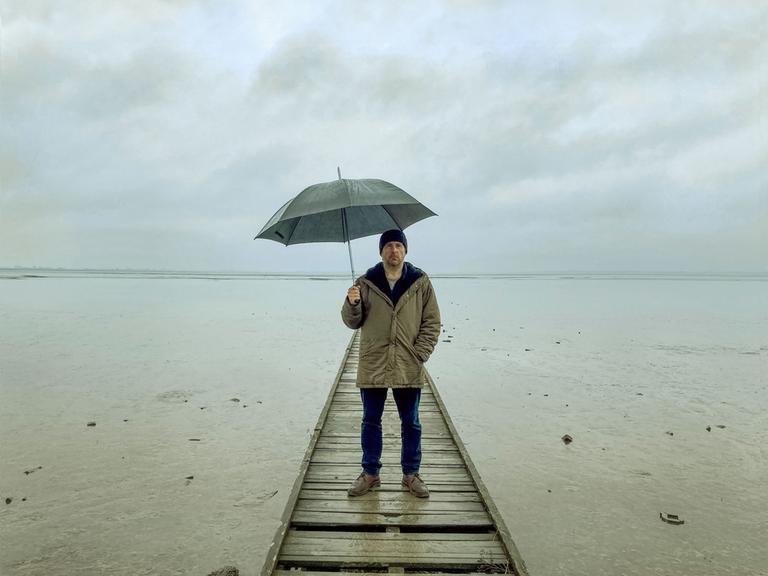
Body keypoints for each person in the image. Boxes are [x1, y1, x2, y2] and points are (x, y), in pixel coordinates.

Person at [341, 229, 441, 498]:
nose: (393, 250)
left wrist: (420, 353)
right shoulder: (364, 283)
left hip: (408, 364)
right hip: (374, 362)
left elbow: (432, 322)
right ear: (381, 251)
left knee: (411, 422)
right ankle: (370, 473)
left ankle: (411, 474)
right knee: (370, 420)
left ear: (405, 250)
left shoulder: (420, 282)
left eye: (398, 245)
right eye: (388, 246)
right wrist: (353, 303)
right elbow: (352, 322)